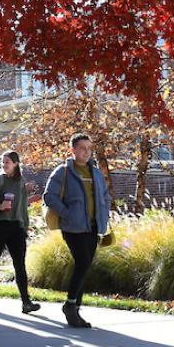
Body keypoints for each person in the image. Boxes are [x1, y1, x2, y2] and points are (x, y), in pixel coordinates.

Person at [43, 134, 110, 328]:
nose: (87, 152)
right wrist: (67, 213)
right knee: (82, 262)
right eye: (82, 148)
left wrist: (104, 214)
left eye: (89, 148)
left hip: (93, 226)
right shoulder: (63, 171)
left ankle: (75, 309)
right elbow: (49, 196)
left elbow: (105, 196)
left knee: (85, 264)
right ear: (73, 150)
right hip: (73, 227)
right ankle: (70, 304)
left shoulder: (96, 173)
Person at [0, 151, 41, 314]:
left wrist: (25, 225)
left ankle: (26, 302)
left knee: (19, 264)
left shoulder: (20, 181)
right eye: (3, 161)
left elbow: (23, 207)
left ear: (16, 164)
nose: (4, 164)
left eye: (7, 162)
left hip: (16, 227)